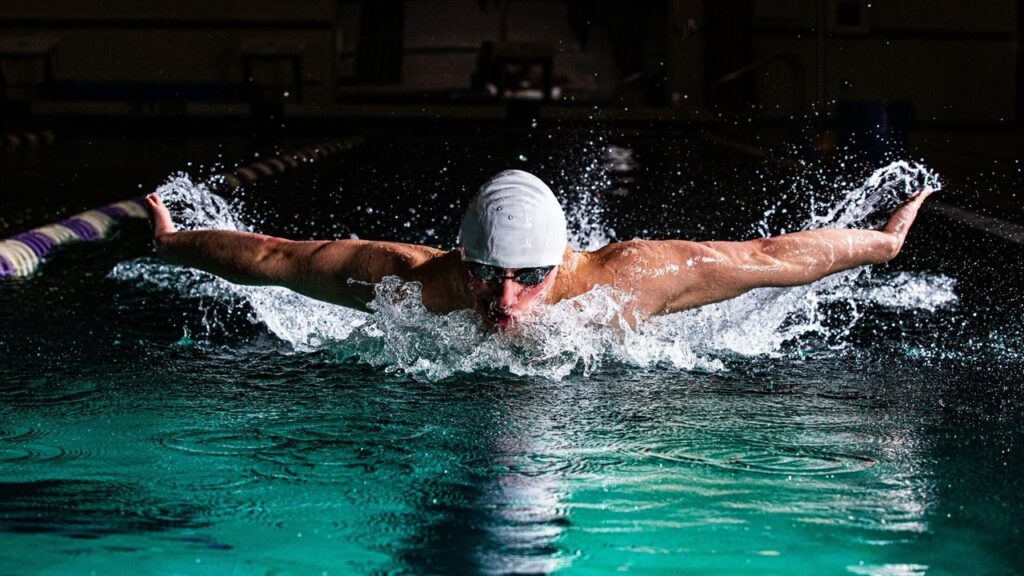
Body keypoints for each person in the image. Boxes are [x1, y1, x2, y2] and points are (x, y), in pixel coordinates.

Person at [146, 169, 933, 329]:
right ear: (463, 260)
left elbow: (768, 258)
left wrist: (882, 245)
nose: (507, 303)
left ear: (562, 263)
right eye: (489, 278)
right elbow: (275, 257)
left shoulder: (629, 280)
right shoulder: (415, 283)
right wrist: (177, 243)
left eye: (528, 280)